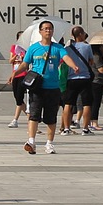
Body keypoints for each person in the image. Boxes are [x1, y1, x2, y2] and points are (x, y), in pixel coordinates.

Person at [17, 20, 77, 154]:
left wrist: (73, 65)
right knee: (34, 115)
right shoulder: (33, 48)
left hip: (53, 88)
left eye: (50, 29)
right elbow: (25, 64)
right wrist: (15, 73)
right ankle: (31, 142)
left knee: (51, 117)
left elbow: (66, 57)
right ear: (40, 32)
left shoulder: (58, 48)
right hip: (37, 88)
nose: (48, 31)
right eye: (45, 29)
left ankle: (49, 144)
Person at [61, 26, 95, 134]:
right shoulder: (87, 47)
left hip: (71, 78)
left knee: (68, 103)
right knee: (86, 104)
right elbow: (91, 61)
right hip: (85, 78)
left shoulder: (67, 49)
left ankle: (66, 128)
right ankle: (85, 128)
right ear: (80, 34)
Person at [4, 31, 28, 128]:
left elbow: (27, 61)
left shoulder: (27, 48)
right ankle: (31, 116)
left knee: (19, 97)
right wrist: (16, 55)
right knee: (17, 97)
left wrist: (23, 56)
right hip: (15, 74)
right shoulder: (14, 47)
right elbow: (10, 61)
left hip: (23, 74)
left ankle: (15, 120)